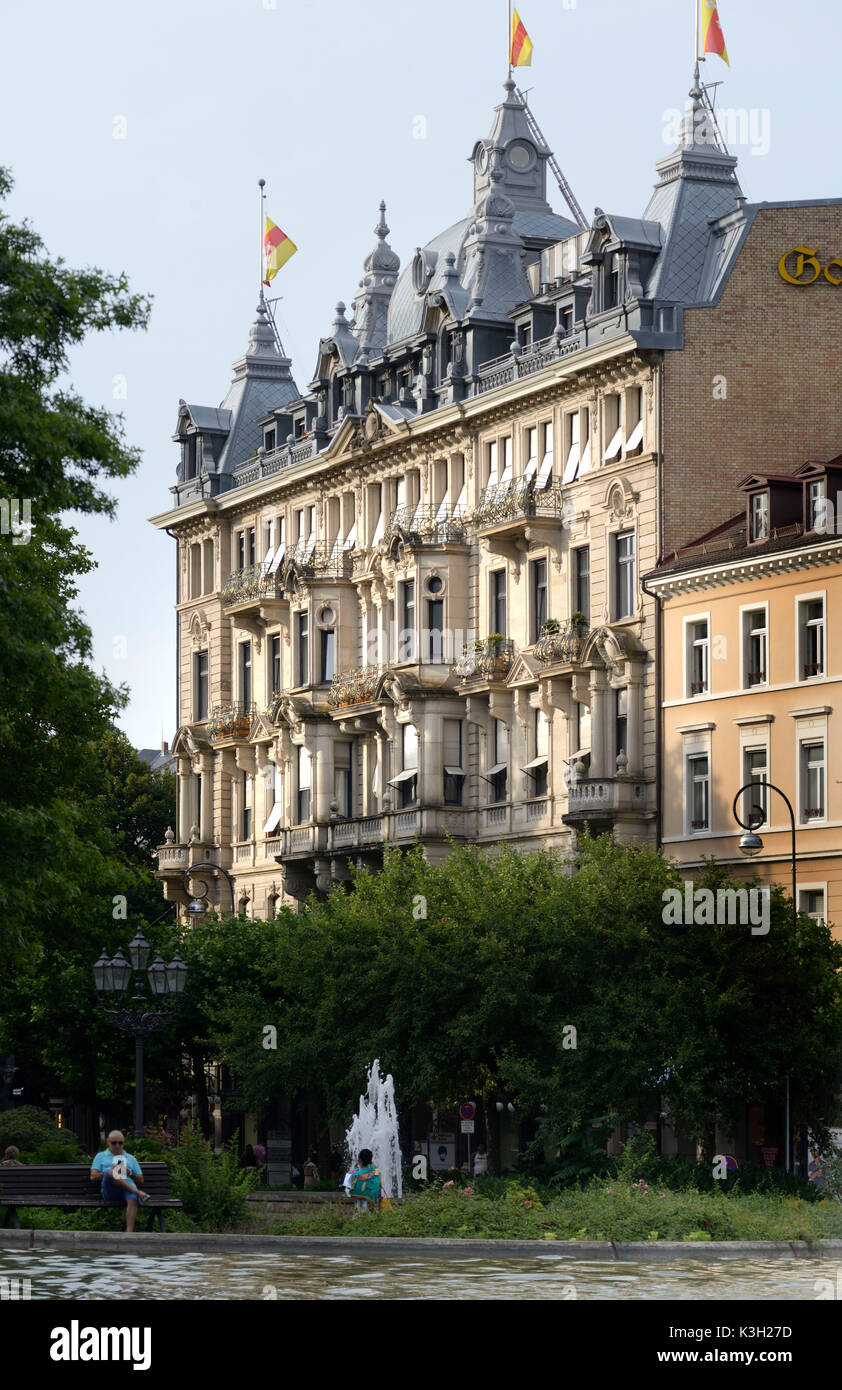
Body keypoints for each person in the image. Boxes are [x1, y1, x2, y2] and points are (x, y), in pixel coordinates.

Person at [89, 1131, 148, 1233]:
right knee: (109, 1172)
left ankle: (128, 1234)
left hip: (127, 1190)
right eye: (114, 1143)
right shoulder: (101, 1156)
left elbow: (141, 1179)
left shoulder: (130, 1158)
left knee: (133, 1198)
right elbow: (93, 1176)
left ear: (123, 1143)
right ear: (108, 1142)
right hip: (111, 1190)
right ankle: (137, 1192)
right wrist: (108, 1172)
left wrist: (130, 1173)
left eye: (120, 1143)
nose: (117, 1146)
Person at [349, 1148, 386, 1213]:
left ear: (359, 1160)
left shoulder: (355, 1175)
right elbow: (378, 1189)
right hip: (375, 1210)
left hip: (361, 1211)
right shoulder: (377, 1172)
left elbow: (350, 1192)